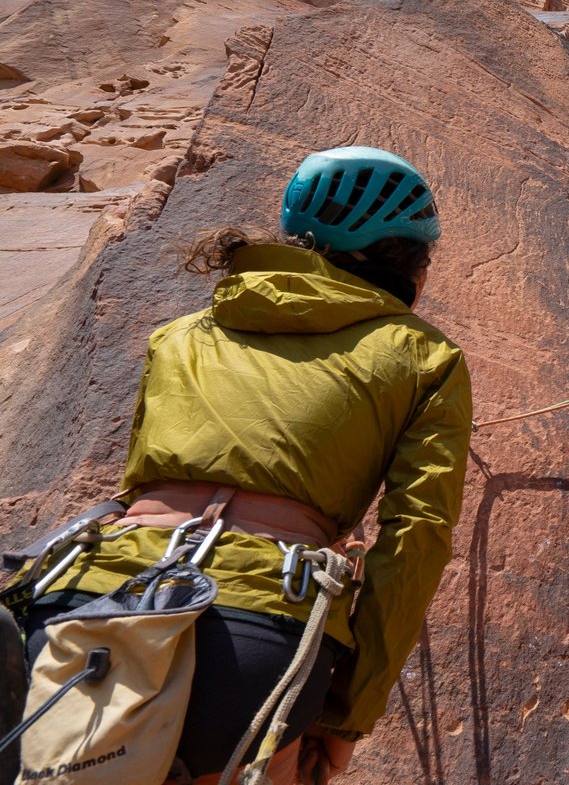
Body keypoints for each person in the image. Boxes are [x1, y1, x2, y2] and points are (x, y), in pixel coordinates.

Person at [9, 146, 472, 784]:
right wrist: (345, 716)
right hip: (261, 637)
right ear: (411, 264)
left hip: (90, 604)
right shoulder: (426, 356)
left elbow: (139, 484)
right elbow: (415, 537)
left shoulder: (182, 335)